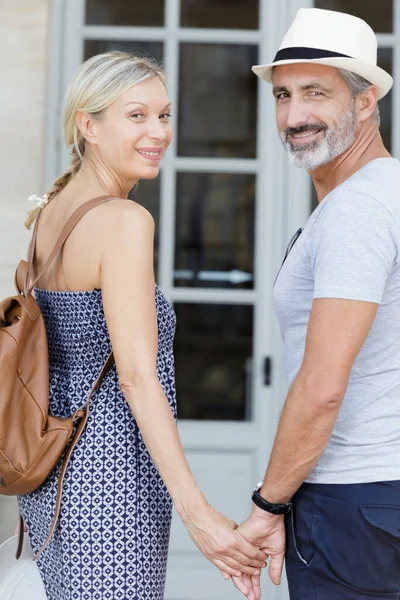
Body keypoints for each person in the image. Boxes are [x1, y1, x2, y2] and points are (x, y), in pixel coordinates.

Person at [18, 51, 267, 600]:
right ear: (89, 124)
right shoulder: (124, 220)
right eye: (137, 116)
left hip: (54, 476)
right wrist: (197, 511)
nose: (158, 131)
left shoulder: (54, 211)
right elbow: (136, 376)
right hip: (108, 478)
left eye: (165, 115)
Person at [231, 7, 400, 600]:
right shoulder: (383, 193)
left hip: (355, 502)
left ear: (364, 102)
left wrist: (267, 504)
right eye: (282, 95)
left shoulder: (359, 209)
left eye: (315, 93)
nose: (294, 115)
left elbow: (324, 382)